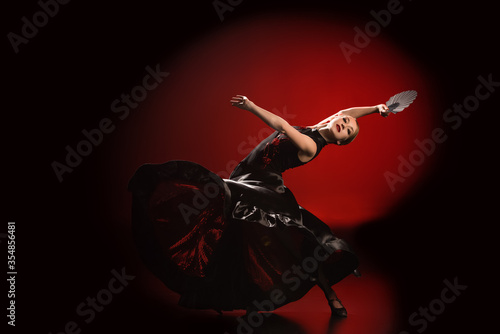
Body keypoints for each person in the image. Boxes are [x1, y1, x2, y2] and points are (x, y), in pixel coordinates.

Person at [128, 95, 392, 318]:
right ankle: (317, 296)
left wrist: (252, 107)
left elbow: (280, 124)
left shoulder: (311, 145)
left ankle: (330, 295)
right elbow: (349, 111)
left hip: (265, 188)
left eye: (347, 131)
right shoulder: (320, 125)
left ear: (340, 142)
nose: (344, 123)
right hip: (246, 176)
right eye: (344, 121)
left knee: (291, 239)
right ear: (336, 117)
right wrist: (376, 108)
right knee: (239, 231)